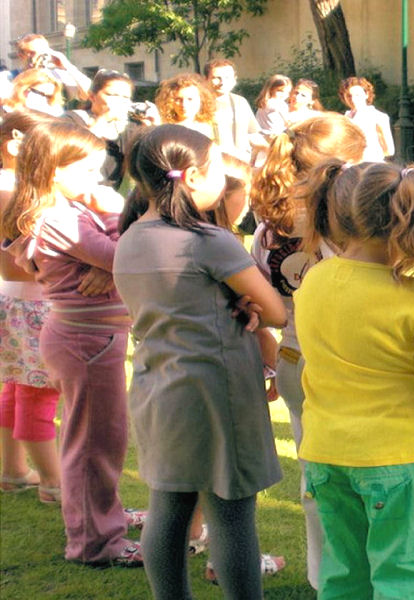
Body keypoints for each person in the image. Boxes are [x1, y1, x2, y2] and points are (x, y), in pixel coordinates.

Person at [112, 124, 285, 600]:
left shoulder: (129, 237)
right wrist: (249, 303)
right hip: (216, 389)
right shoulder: (207, 239)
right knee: (231, 512)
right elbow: (274, 309)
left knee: (168, 505)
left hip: (157, 385)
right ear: (190, 177)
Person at [296, 161, 414, 599]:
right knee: (404, 577)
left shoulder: (314, 279)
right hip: (399, 456)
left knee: (343, 573)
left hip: (326, 452)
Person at [0, 120, 142, 567]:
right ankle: (96, 542)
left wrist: (109, 248)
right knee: (93, 443)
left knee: (105, 438)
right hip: (85, 342)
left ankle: (103, 516)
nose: (96, 181)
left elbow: (116, 257)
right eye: (84, 171)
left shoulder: (69, 209)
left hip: (92, 338)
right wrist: (115, 212)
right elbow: (129, 258)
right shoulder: (58, 216)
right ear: (53, 170)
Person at [250, 113, 365, 590]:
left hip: (296, 357)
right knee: (370, 476)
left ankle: (326, 578)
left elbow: (262, 301)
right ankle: (366, 576)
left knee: (315, 473)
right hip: (351, 361)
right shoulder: (349, 227)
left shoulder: (267, 227)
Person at [0, 110, 61, 505]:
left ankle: (14, 471)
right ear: (17, 143)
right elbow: (16, 261)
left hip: (15, 301)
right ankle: (54, 483)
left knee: (17, 388)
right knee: (38, 395)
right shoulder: (11, 189)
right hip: (30, 303)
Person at [65, 69, 149, 190]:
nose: (119, 100)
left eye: (125, 97)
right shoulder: (71, 119)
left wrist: (152, 129)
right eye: (112, 95)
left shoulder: (130, 127)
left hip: (108, 194)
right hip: (74, 190)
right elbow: (73, 153)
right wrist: (103, 118)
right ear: (92, 96)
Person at [204, 59, 266, 162]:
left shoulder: (240, 102)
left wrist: (270, 150)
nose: (222, 82)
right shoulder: (199, 104)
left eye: (227, 77)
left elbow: (252, 134)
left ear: (234, 80)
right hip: (212, 164)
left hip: (241, 164)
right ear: (206, 79)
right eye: (216, 78)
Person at [6, 33, 91, 102]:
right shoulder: (8, 78)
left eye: (44, 52)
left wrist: (66, 65)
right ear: (21, 56)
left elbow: (87, 94)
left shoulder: (58, 76)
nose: (41, 57)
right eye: (33, 53)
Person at [340, 76, 394, 163]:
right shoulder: (344, 118)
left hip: (371, 163)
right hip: (349, 164)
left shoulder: (378, 116)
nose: (353, 99)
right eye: (349, 96)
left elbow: (390, 150)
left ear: (366, 94)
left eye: (357, 95)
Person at [155, 73, 217, 140]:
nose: (184, 104)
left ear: (202, 100)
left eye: (190, 99)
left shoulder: (211, 126)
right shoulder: (163, 128)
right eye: (178, 99)